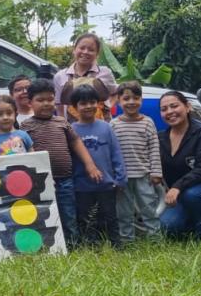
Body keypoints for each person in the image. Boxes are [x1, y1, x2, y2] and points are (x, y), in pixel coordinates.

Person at [21, 79, 102, 249]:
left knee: (68, 214)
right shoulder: (25, 126)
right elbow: (26, 151)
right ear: (30, 103)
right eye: (40, 100)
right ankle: (49, 248)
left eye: (50, 99)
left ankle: (73, 246)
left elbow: (76, 143)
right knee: (44, 215)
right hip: (40, 182)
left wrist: (90, 164)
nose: (46, 104)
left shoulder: (62, 122)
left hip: (65, 180)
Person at [158, 91, 201, 240]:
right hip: (182, 195)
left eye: (174, 106)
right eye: (164, 109)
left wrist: (177, 187)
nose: (170, 112)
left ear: (187, 107)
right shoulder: (160, 138)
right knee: (168, 227)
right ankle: (196, 223)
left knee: (193, 194)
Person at [70, 85, 127, 246]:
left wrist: (120, 178)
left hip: (106, 184)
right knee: (86, 219)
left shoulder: (106, 127)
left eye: (92, 102)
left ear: (99, 104)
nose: (88, 106)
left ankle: (116, 246)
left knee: (110, 217)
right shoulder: (71, 130)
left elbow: (116, 153)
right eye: (83, 103)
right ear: (74, 108)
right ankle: (91, 247)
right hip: (82, 186)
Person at [110, 81, 163, 242]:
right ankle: (127, 242)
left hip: (144, 175)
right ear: (119, 100)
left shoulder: (148, 122)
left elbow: (154, 148)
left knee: (149, 210)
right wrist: (114, 176)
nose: (131, 102)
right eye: (126, 98)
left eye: (136, 98)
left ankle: (155, 240)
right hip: (122, 178)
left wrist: (156, 172)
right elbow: (112, 153)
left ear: (141, 100)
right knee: (124, 212)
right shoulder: (113, 124)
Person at [53, 33, 117, 122]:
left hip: (102, 126)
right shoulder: (60, 76)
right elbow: (59, 105)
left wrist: (108, 106)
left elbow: (115, 93)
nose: (85, 52)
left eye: (91, 50)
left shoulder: (105, 72)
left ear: (97, 54)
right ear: (74, 50)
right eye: (82, 48)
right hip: (73, 129)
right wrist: (64, 127)